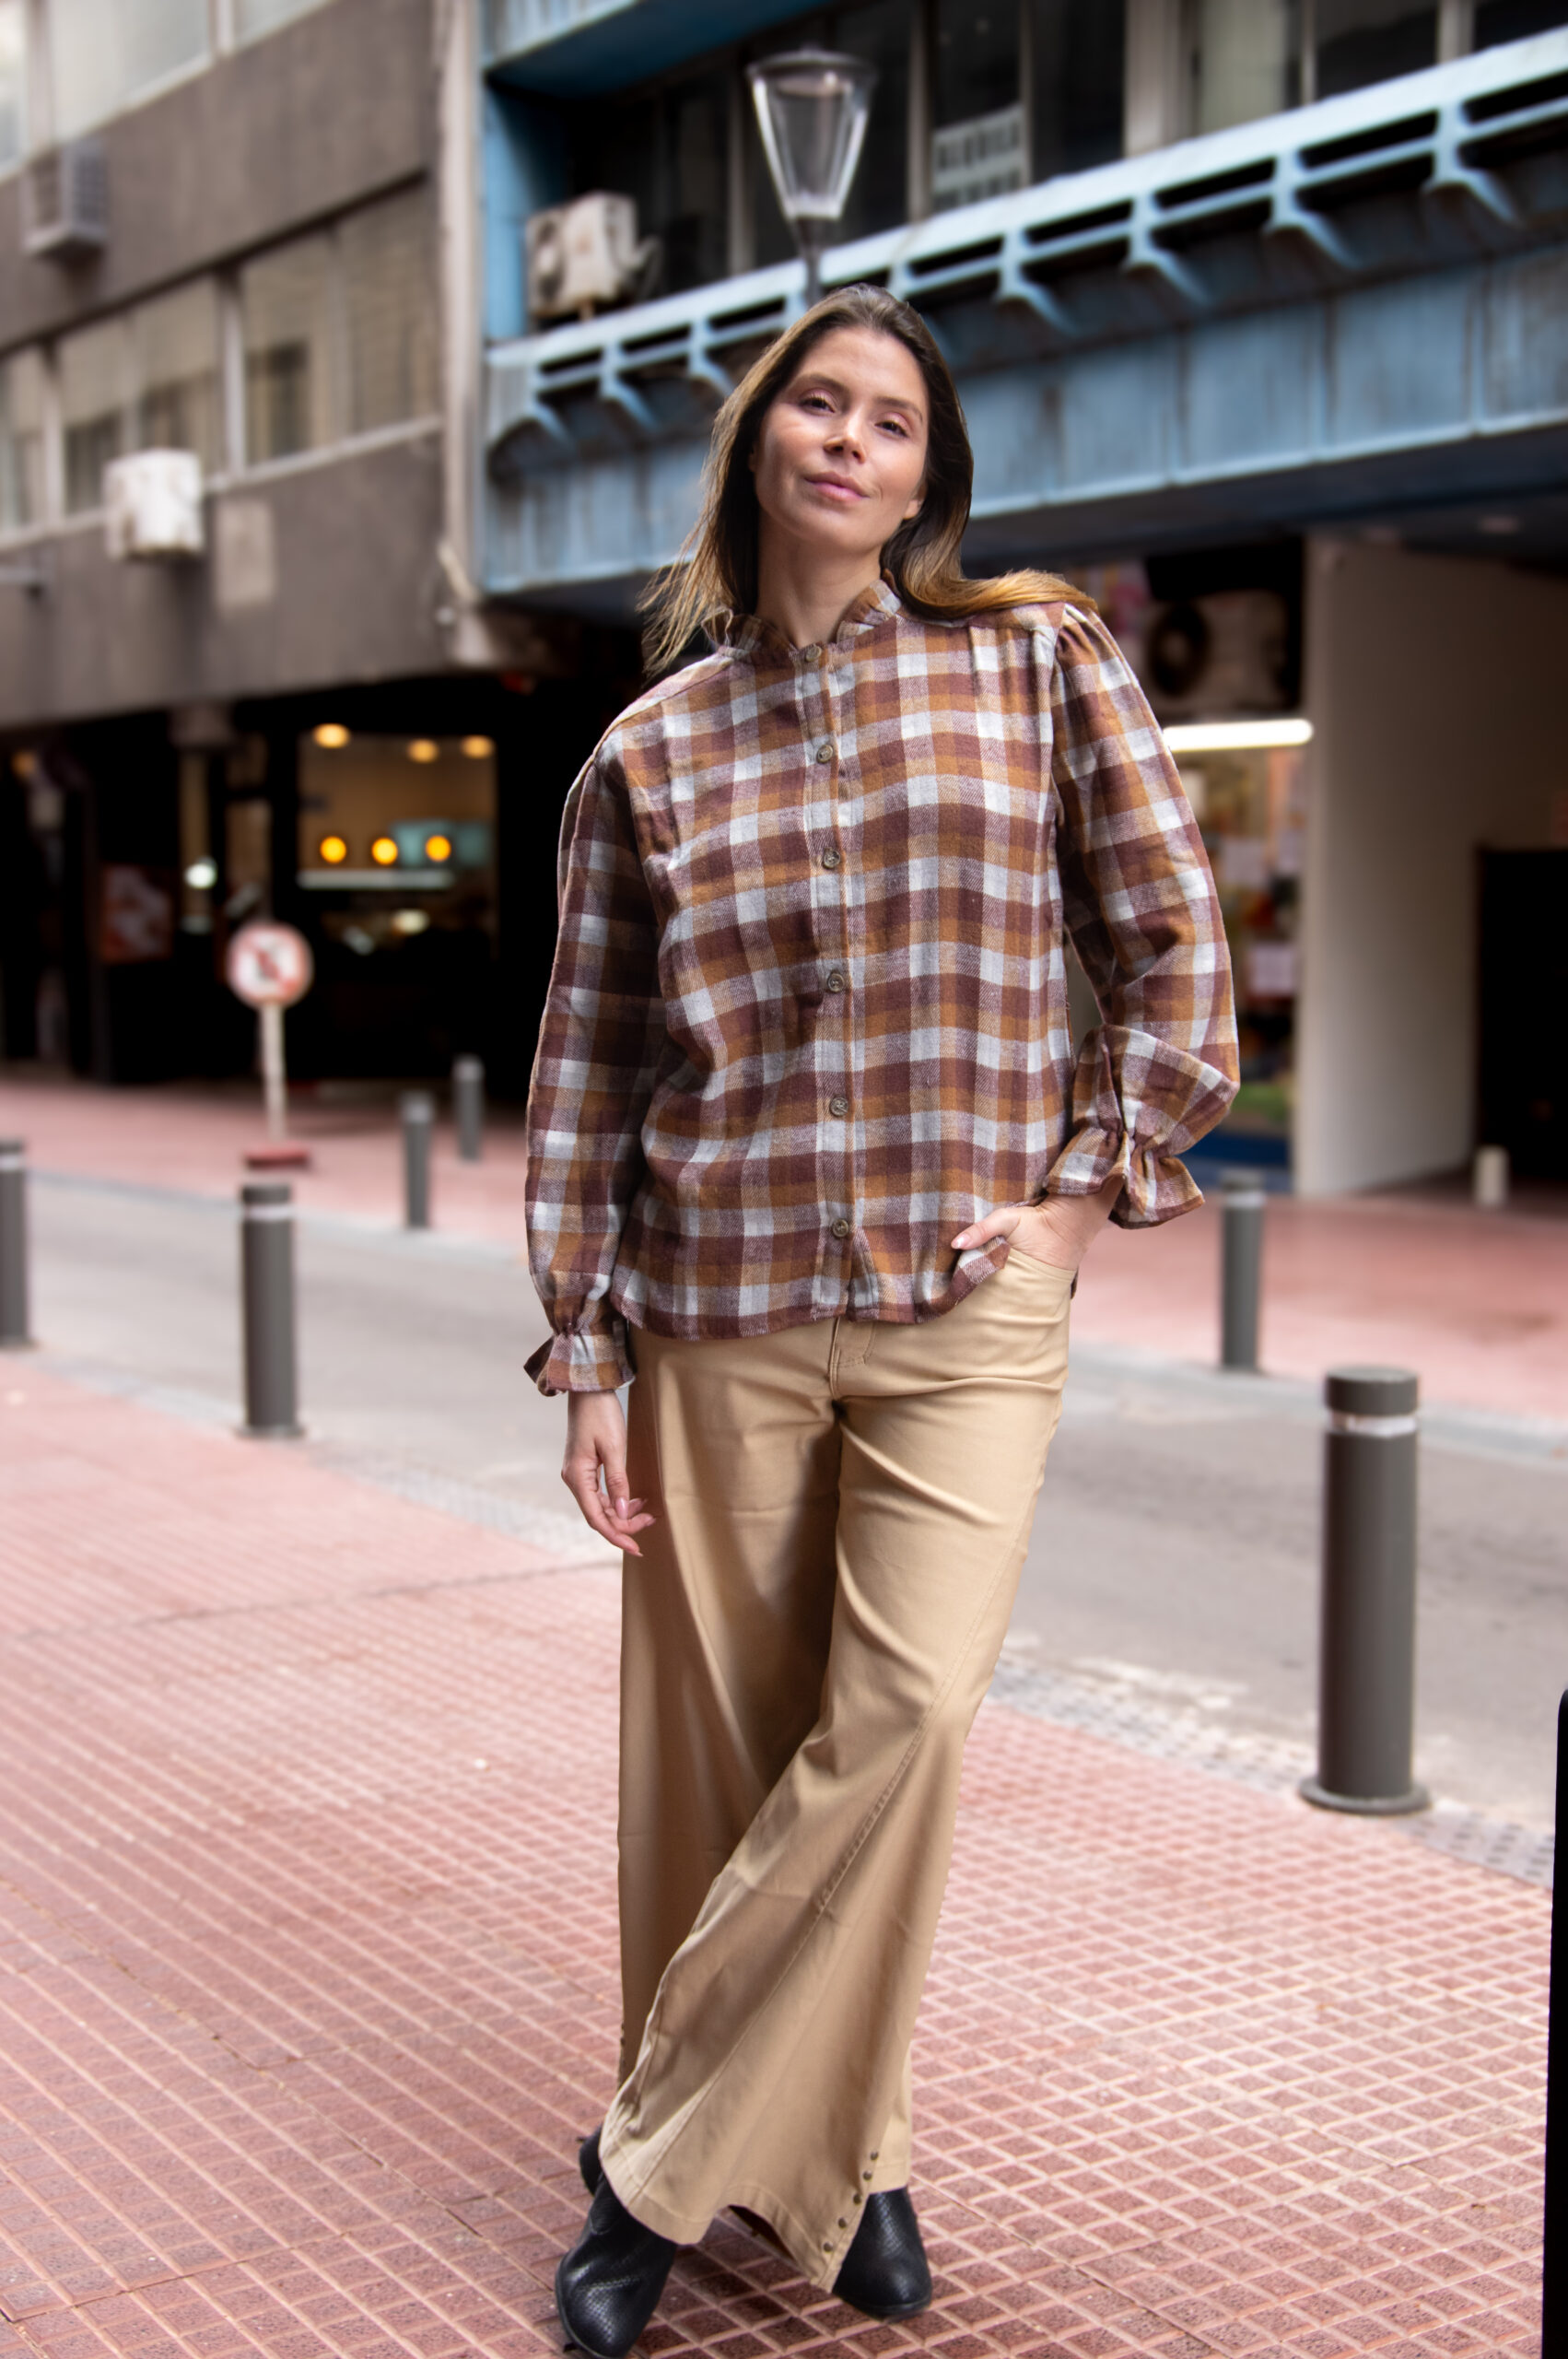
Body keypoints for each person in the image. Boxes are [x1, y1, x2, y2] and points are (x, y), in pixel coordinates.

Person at [525, 285, 1238, 2359]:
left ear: (927, 477)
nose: (848, 438)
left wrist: (1085, 1194)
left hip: (963, 1301)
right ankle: (850, 2157)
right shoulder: (646, 753)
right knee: (715, 1766)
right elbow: (590, 1067)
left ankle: (647, 2163)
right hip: (718, 1302)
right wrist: (586, 1350)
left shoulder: (1035, 661)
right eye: (817, 404)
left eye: (891, 420)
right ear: (759, 438)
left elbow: (1174, 948)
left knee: (902, 1715)